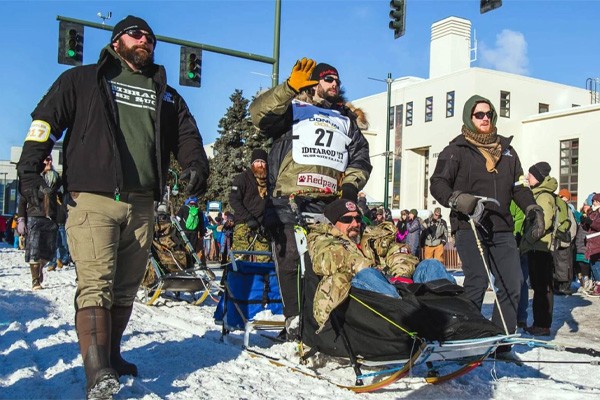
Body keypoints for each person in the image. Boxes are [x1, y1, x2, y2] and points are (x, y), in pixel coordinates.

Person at [16, 15, 209, 398]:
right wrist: (28, 170)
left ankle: (113, 355)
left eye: (151, 38)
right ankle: (97, 371)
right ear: (117, 40)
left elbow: (188, 137)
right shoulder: (83, 79)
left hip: (141, 203)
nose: (146, 42)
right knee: (95, 286)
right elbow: (45, 121)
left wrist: (196, 167)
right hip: (91, 198)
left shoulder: (166, 93)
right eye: (137, 35)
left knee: (124, 289)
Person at [249, 58, 372, 338]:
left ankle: (326, 315)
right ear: (315, 83)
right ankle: (294, 318)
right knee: (291, 255)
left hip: (328, 200)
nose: (334, 85)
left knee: (329, 258)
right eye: (328, 79)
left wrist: (351, 186)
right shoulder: (293, 109)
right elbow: (258, 114)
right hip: (288, 196)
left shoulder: (345, 119)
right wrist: (289, 87)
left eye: (337, 81)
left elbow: (360, 157)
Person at [430, 94, 542, 357]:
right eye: (478, 114)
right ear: (469, 117)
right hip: (470, 224)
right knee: (477, 280)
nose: (484, 118)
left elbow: (518, 187)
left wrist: (532, 207)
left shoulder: (507, 151)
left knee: (512, 282)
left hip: (501, 226)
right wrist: (457, 199)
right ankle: (464, 341)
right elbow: (437, 184)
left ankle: (500, 344)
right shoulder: (455, 150)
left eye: (488, 114)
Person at [520, 162, 557, 336]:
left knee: (542, 288)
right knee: (540, 287)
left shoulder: (543, 197)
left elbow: (544, 223)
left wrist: (527, 240)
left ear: (539, 178)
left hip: (540, 248)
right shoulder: (540, 194)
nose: (528, 178)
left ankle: (542, 325)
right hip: (537, 247)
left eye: (531, 175)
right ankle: (540, 323)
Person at [18, 155, 61, 290]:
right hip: (35, 217)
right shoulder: (31, 180)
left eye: (50, 159)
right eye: (46, 159)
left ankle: (40, 267)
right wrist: (21, 219)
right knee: (35, 249)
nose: (49, 161)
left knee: (49, 251)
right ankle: (35, 281)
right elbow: (23, 200)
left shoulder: (56, 179)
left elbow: (60, 197)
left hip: (51, 218)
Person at [229, 148, 270, 260]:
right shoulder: (242, 178)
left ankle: (262, 277)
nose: (260, 165)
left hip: (262, 227)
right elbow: (234, 200)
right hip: (244, 224)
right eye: (257, 162)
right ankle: (234, 276)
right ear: (252, 164)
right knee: (239, 259)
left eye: (262, 162)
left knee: (265, 258)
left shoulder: (270, 182)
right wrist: (248, 218)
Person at [580, 193, 600, 296]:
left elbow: (597, 225)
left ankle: (599, 285)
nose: (594, 203)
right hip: (592, 242)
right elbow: (588, 227)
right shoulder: (593, 213)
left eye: (596, 201)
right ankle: (597, 285)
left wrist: (590, 222)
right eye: (593, 201)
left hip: (597, 242)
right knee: (593, 264)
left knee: (596, 265)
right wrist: (584, 222)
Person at [176, 196, 205, 261]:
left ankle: (183, 261)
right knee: (192, 247)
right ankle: (191, 262)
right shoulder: (199, 211)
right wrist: (202, 234)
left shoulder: (183, 208)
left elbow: (178, 219)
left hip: (184, 231)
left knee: (183, 246)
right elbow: (201, 223)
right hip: (194, 232)